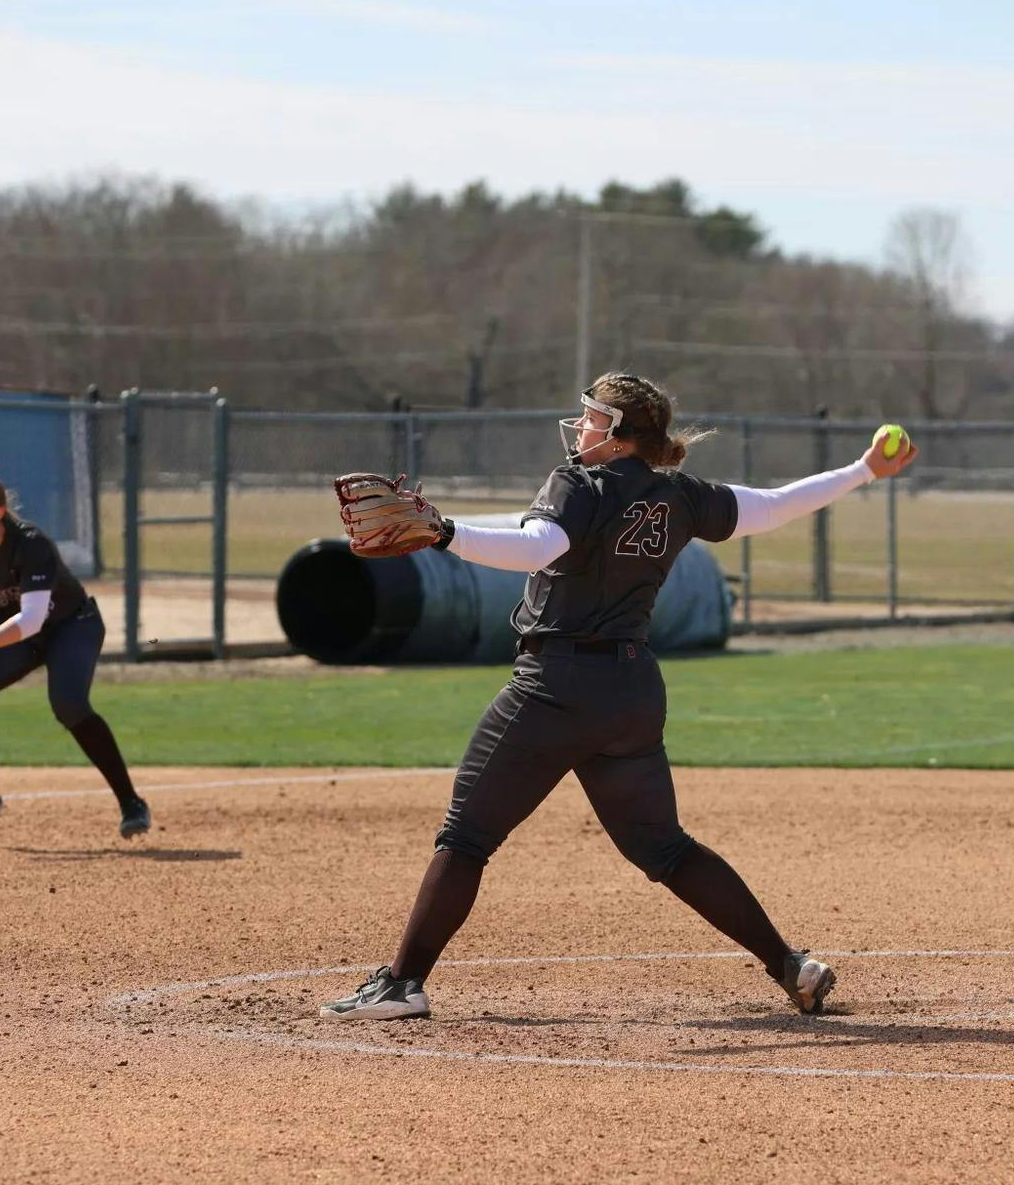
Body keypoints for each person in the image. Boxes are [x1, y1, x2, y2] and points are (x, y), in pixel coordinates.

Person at [320, 373, 919, 1021]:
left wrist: (447, 533)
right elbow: (774, 505)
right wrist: (863, 469)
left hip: (554, 688)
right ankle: (790, 965)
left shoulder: (576, 485)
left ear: (621, 433)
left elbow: (539, 548)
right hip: (631, 692)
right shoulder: (680, 495)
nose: (581, 429)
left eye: (592, 418)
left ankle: (403, 984)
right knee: (665, 849)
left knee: (466, 836)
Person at [0, 470, 150, 847]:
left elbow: (33, 619)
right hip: (18, 632)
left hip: (72, 625)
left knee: (69, 704)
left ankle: (132, 803)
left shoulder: (31, 545)